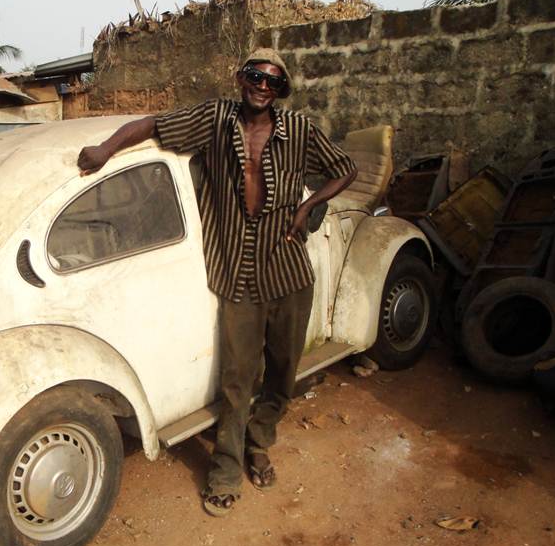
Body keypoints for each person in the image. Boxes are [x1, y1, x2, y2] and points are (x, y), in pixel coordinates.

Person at [77, 49, 357, 517]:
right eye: (255, 77)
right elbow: (152, 125)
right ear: (241, 79)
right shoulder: (214, 120)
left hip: (288, 270)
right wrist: (106, 150)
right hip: (237, 274)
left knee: (283, 372)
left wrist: (308, 207)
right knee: (236, 380)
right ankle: (226, 469)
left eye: (272, 82)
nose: (262, 87)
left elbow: (345, 169)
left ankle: (259, 442)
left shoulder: (299, 130)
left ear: (281, 90)